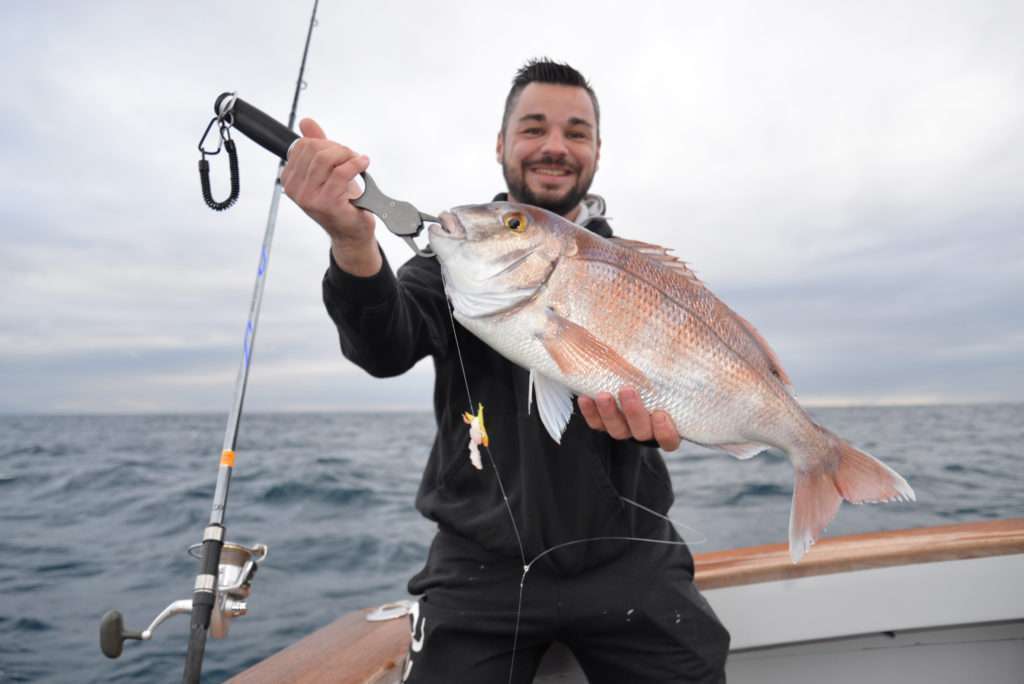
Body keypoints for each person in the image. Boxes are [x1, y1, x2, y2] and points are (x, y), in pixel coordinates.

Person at [281, 58, 730, 683]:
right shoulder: (451, 256)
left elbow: (691, 382)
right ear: (501, 143)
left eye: (576, 132)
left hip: (632, 553)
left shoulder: (634, 276)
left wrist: (677, 415)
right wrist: (354, 244)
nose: (554, 146)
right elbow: (384, 347)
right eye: (533, 128)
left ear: (597, 150)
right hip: (479, 568)